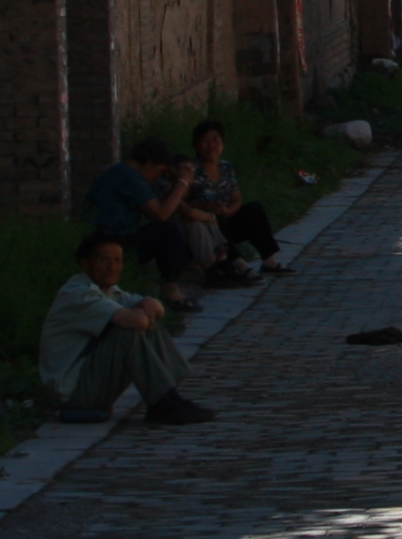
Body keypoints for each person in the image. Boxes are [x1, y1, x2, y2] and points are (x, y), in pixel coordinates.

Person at [43, 232, 213, 424]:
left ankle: (170, 397)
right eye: (104, 261)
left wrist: (147, 305)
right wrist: (144, 314)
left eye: (117, 261)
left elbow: (157, 307)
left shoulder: (110, 291)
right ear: (85, 263)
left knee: (145, 324)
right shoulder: (78, 293)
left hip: (92, 383)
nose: (112, 267)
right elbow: (136, 321)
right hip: (73, 393)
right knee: (126, 331)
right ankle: (163, 403)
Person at [84, 136, 209, 311]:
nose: (157, 177)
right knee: (168, 230)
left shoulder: (121, 171)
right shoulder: (131, 178)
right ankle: (172, 293)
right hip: (111, 240)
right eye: (159, 171)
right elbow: (161, 214)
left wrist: (175, 175)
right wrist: (182, 182)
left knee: (169, 228)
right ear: (148, 163)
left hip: (110, 236)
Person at [180, 120, 284, 281]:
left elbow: (236, 199)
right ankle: (239, 264)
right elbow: (182, 203)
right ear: (197, 144)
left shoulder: (226, 167)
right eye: (206, 141)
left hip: (229, 221)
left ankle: (269, 260)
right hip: (209, 227)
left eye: (216, 140)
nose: (211, 145)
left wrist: (228, 210)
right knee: (216, 215)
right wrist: (205, 206)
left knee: (254, 209)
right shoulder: (191, 169)